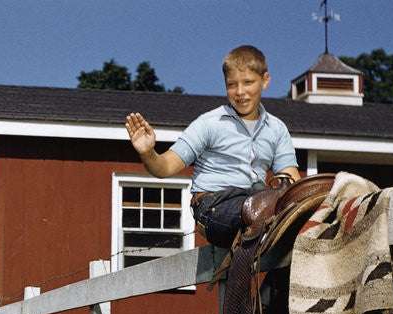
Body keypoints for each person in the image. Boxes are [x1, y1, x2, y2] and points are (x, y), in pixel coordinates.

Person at [125, 45, 301, 247]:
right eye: (232, 84)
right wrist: (148, 153)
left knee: (290, 217)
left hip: (257, 203)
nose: (240, 91)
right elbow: (164, 167)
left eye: (248, 82)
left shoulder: (277, 129)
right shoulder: (209, 124)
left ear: (265, 81)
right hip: (213, 206)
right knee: (263, 212)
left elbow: (291, 181)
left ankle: (272, 279)